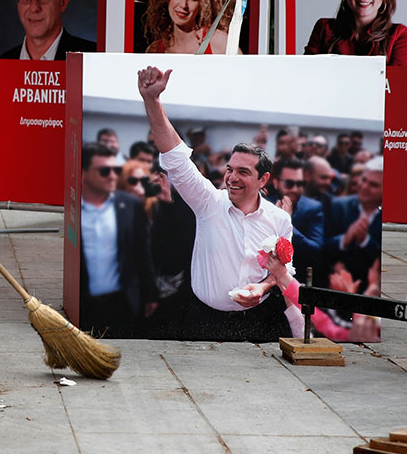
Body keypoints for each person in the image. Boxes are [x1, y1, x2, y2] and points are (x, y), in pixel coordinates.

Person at [138, 65, 294, 342]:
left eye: (243, 172)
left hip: (258, 322)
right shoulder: (209, 202)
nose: (232, 178)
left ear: (263, 179)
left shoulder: (279, 219)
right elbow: (175, 159)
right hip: (204, 321)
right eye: (230, 169)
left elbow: (283, 270)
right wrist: (152, 101)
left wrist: (264, 288)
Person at [79, 142, 158, 338]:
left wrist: (150, 294)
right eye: (105, 171)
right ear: (84, 173)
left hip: (122, 302)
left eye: (115, 170)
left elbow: (143, 253)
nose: (113, 176)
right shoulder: (75, 208)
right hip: (84, 303)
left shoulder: (129, 205)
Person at [144, 161, 196, 339]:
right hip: (152, 285)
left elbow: (182, 244)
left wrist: (168, 202)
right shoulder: (145, 203)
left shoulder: (191, 203)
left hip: (180, 286)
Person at [325, 156, 383, 295]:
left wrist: (365, 241)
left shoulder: (392, 216)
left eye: (373, 185)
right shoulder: (338, 206)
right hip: (335, 290)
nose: (364, 187)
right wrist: (345, 239)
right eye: (363, 180)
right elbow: (322, 246)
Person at [267, 158, 325, 288]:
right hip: (265, 283)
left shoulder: (312, 209)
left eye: (300, 184)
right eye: (289, 184)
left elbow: (316, 251)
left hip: (297, 283)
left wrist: (287, 223)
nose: (295, 189)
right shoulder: (265, 204)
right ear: (276, 183)